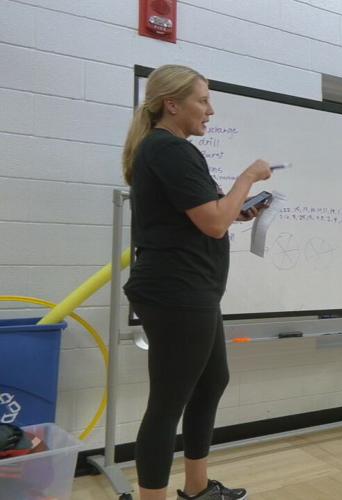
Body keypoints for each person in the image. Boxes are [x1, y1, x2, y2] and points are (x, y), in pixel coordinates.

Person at [122, 65, 272, 500]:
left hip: (191, 291)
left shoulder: (169, 149)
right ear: (172, 105)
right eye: (202, 100)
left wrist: (235, 211)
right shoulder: (169, 150)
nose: (210, 109)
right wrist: (247, 179)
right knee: (168, 402)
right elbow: (212, 223)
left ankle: (198, 487)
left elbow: (207, 217)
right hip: (176, 292)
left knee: (211, 381)